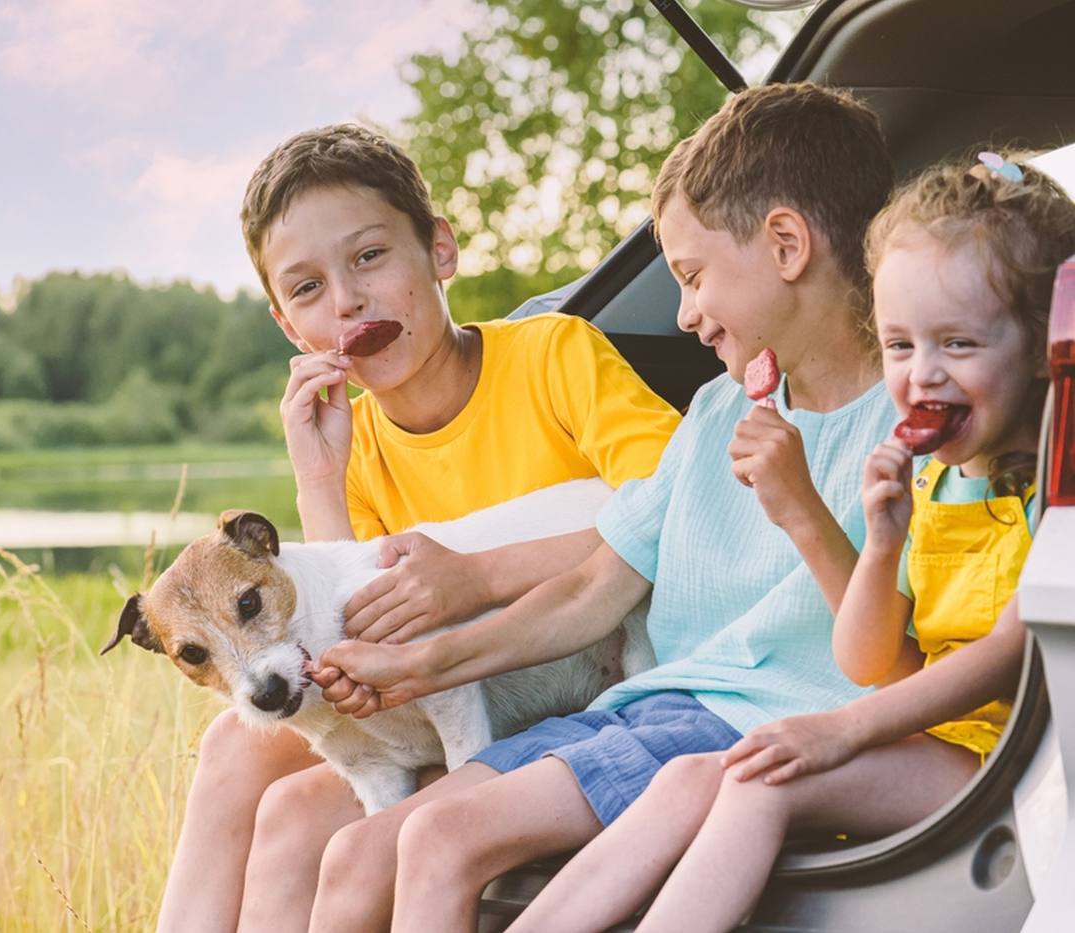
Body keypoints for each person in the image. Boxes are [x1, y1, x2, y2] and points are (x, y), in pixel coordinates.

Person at [308, 82, 897, 932]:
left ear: (787, 245)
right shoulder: (715, 417)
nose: (687, 314)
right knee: (362, 851)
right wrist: (424, 667)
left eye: (693, 278)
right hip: (649, 707)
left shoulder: (904, 427)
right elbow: (590, 592)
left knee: (441, 836)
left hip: (748, 724)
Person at [503, 152, 1075, 933]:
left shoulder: (1051, 484)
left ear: (1048, 340)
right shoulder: (937, 482)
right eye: (902, 346)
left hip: (1013, 758)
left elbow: (1011, 653)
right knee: (701, 774)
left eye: (960, 344)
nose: (922, 376)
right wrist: (880, 543)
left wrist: (838, 728)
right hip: (930, 744)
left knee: (763, 778)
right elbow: (872, 660)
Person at [155, 123, 682, 933]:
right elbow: (340, 652)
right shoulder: (352, 446)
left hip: (569, 676)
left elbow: (687, 511)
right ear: (288, 326)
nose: (346, 301)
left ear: (440, 251)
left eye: (369, 257)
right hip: (436, 701)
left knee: (301, 816)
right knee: (236, 750)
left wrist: (478, 577)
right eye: (306, 289)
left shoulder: (554, 355)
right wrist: (320, 477)